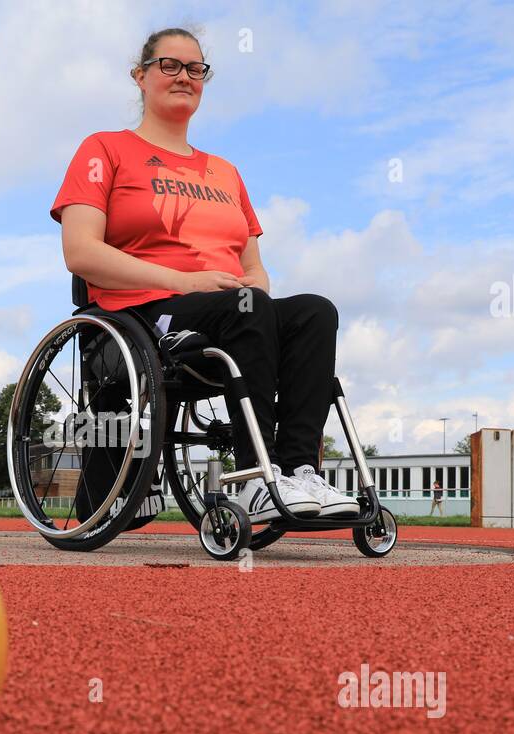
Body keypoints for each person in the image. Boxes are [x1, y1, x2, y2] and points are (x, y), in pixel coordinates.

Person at [49, 27, 359, 522]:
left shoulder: (226, 173)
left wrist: (252, 289)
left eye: (196, 69)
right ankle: (256, 477)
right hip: (144, 312)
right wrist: (184, 282)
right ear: (140, 76)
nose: (184, 77)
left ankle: (298, 470)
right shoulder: (104, 148)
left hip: (231, 309)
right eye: (169, 65)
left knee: (315, 312)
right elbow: (80, 251)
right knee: (250, 307)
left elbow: (254, 266)